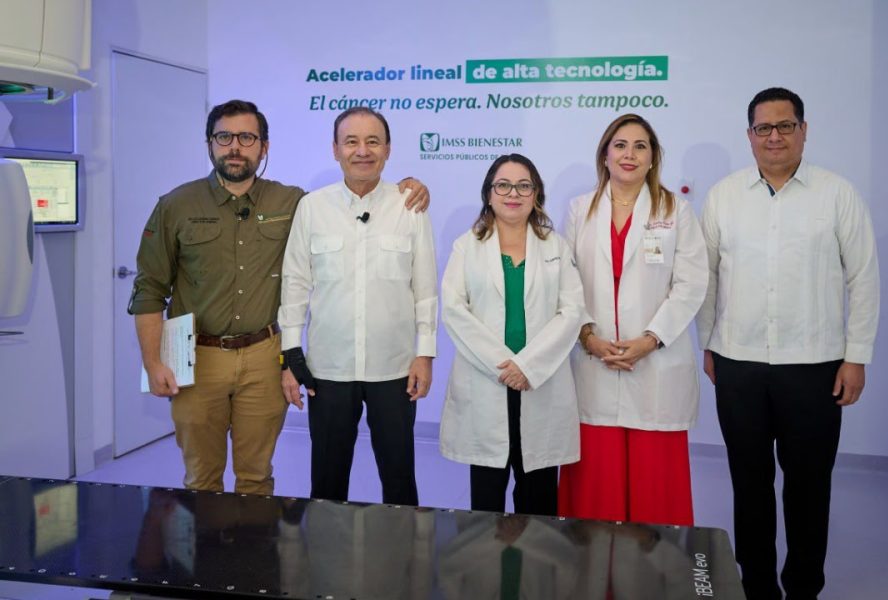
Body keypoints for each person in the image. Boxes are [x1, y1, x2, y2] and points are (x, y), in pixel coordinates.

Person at [129, 99, 429, 495]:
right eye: (224, 137)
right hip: (198, 358)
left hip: (263, 357)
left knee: (256, 477)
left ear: (264, 146)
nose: (235, 147)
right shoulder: (176, 205)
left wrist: (410, 185)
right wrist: (153, 363)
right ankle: (207, 539)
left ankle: (253, 540)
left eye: (247, 137)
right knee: (201, 478)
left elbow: (353, 195)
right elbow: (149, 289)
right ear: (209, 144)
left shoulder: (293, 203)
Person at [696, 87, 880, 600]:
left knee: (809, 486)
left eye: (785, 125)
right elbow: (707, 278)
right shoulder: (724, 196)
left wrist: (857, 356)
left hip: (814, 366)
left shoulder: (837, 194)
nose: (774, 136)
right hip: (738, 363)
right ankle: (756, 586)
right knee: (749, 483)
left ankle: (802, 588)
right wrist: (708, 343)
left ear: (803, 130)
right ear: (749, 135)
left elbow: (863, 278)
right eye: (764, 127)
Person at [279, 106, 437, 506]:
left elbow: (425, 289)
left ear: (388, 149)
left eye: (373, 141)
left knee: (399, 479)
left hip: (394, 369)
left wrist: (425, 354)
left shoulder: (410, 206)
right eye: (351, 141)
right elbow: (295, 284)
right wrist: (290, 355)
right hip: (328, 369)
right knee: (327, 482)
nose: (362, 151)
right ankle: (326, 545)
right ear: (335, 149)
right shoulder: (312, 207)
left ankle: (402, 546)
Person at [558, 113, 708, 526]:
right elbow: (566, 280)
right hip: (595, 360)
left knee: (654, 487)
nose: (629, 154)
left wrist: (650, 339)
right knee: (596, 486)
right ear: (605, 155)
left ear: (653, 157)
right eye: (620, 145)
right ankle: (592, 565)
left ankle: (653, 565)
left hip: (655, 363)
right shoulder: (579, 210)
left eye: (640, 146)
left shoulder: (676, 210)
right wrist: (587, 336)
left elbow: (691, 283)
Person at [439, 154, 584, 516]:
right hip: (489, 379)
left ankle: (532, 556)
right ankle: (487, 556)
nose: (513, 194)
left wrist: (528, 367)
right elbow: (454, 310)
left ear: (536, 195)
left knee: (539, 501)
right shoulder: (467, 246)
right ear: (489, 194)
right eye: (503, 185)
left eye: (523, 186)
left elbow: (571, 311)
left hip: (540, 381)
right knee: (486, 503)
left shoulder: (555, 245)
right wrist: (505, 366)